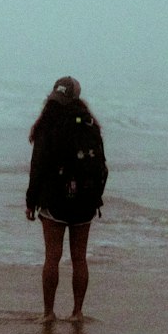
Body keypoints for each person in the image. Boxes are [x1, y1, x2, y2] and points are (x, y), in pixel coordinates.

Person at [25, 76, 108, 320]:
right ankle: (77, 312)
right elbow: (101, 165)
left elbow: (37, 166)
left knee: (52, 257)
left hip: (55, 201)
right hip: (85, 200)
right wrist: (96, 197)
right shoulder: (90, 124)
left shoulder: (48, 124)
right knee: (79, 258)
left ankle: (49, 313)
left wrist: (31, 201)